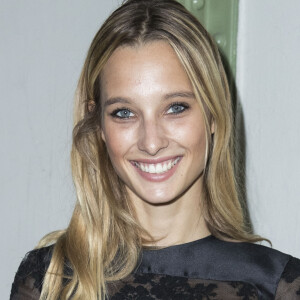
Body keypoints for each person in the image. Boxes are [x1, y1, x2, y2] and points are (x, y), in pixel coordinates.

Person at [10, 0, 300, 299]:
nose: (151, 142)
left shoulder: (278, 287)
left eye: (175, 108)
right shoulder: (49, 280)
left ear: (213, 114)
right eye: (124, 113)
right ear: (98, 125)